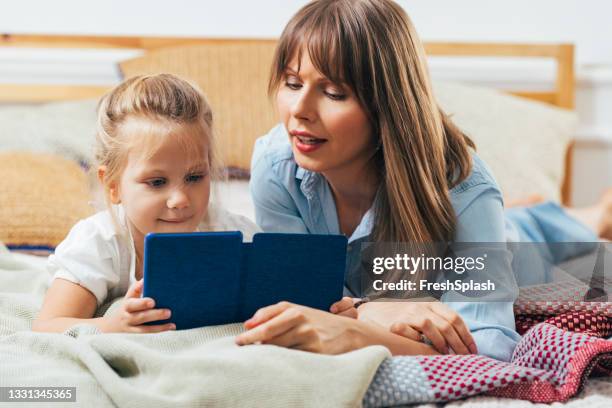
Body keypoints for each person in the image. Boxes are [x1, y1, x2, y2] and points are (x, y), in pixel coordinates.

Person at [237, 0, 610, 360]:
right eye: (291, 82)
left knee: (530, 239)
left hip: (513, 248)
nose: (299, 110)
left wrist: (357, 331)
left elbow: (491, 347)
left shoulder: (467, 189)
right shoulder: (276, 165)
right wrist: (374, 311)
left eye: (334, 92)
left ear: (388, 104)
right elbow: (302, 295)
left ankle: (590, 214)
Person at [32, 74, 262, 333]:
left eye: (194, 177)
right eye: (157, 182)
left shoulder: (233, 236)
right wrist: (110, 326)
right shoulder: (99, 242)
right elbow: (48, 326)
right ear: (113, 186)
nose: (180, 200)